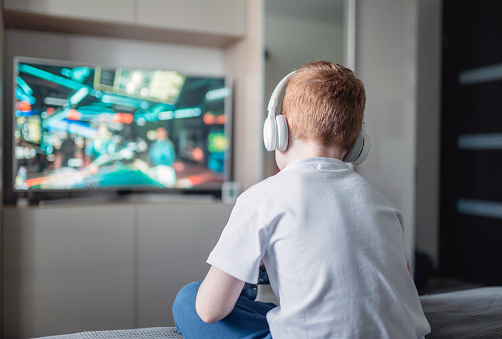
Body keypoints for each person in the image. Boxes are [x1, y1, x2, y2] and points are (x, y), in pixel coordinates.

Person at [172, 61, 430, 338]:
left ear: (277, 131)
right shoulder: (384, 203)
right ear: (357, 143)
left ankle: (248, 277)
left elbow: (211, 311)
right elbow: (404, 287)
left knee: (190, 299)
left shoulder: (260, 199)